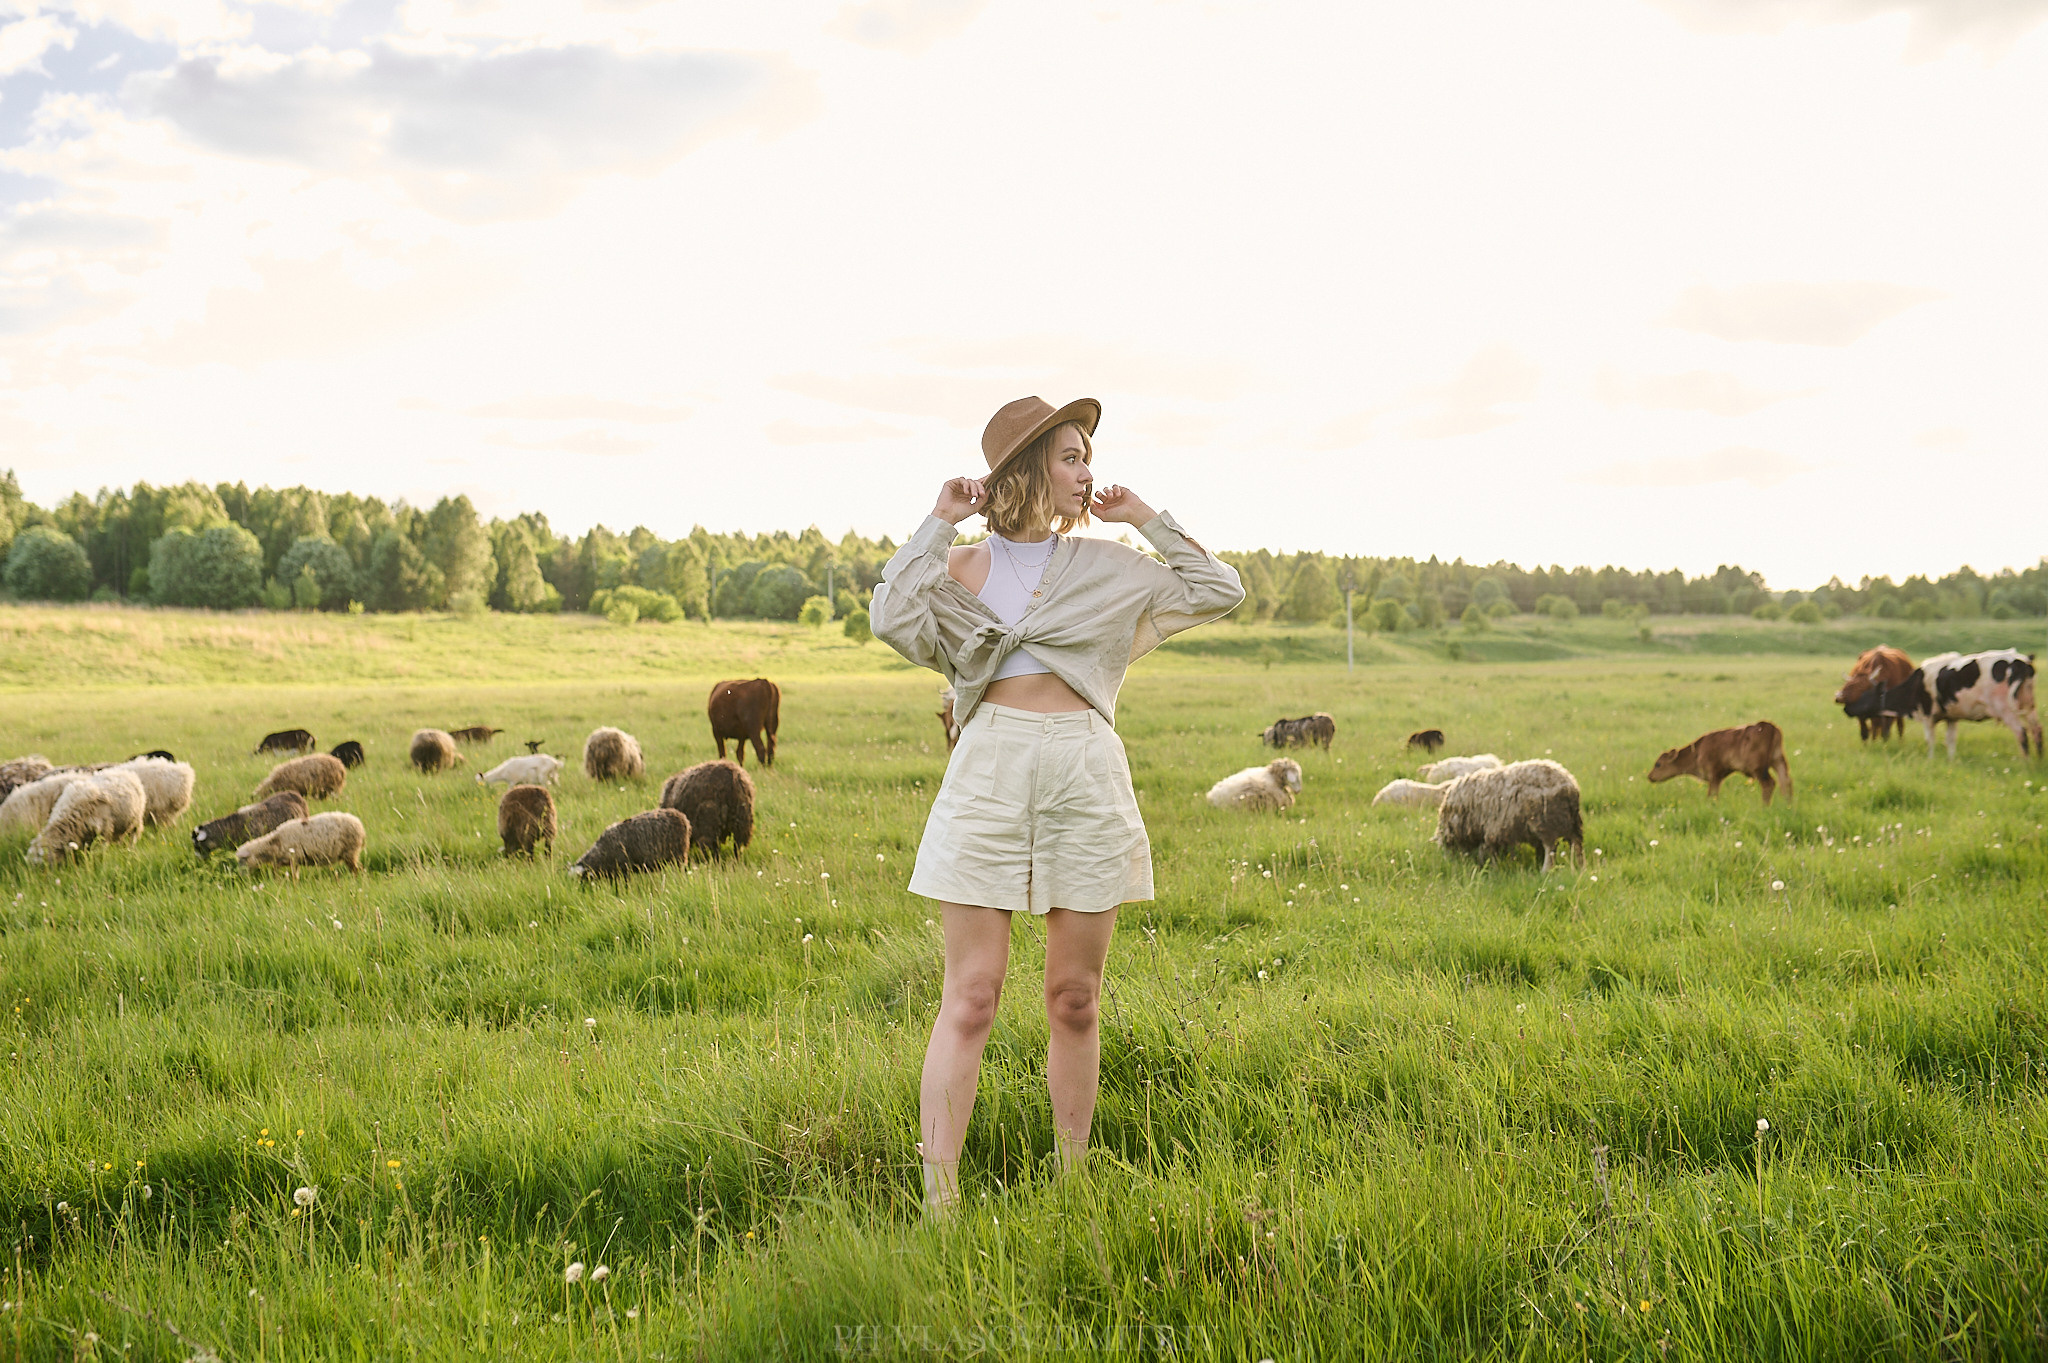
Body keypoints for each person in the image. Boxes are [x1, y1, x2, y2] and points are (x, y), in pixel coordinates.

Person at [869, 395, 1244, 1216]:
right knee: (971, 994)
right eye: (1071, 456)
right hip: (989, 769)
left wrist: (1145, 516)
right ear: (1028, 467)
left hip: (1083, 772)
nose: (1087, 472)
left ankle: (1072, 1182)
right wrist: (939, 519)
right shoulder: (961, 567)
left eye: (1089, 457)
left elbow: (1219, 588)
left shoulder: (1110, 567)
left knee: (1075, 996)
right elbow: (889, 611)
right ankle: (940, 1200)